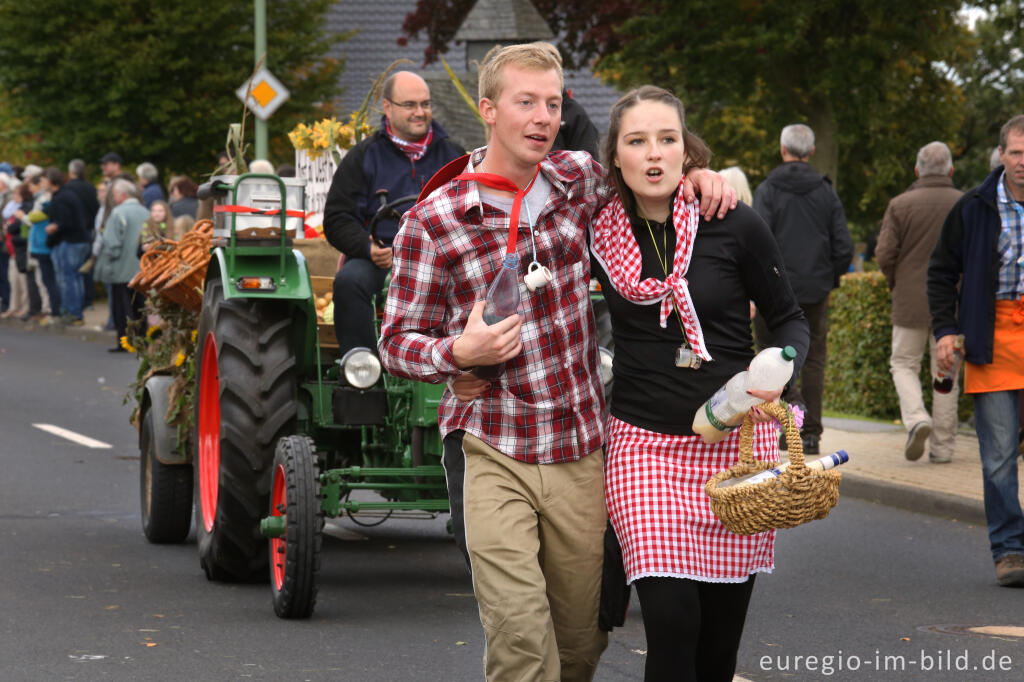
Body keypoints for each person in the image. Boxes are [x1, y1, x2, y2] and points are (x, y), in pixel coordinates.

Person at [378, 43, 734, 681]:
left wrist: (704, 175)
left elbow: (652, 167)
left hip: (580, 448)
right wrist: (458, 352)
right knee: (520, 640)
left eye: (552, 103)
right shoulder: (434, 219)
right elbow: (396, 340)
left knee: (579, 645)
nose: (543, 117)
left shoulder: (579, 181)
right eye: (526, 103)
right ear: (488, 110)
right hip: (493, 445)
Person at [592, 85, 808, 682]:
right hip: (644, 448)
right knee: (671, 619)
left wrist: (781, 371)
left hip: (737, 452)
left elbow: (787, 315)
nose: (654, 153)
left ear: (687, 151)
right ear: (616, 156)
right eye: (637, 141)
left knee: (717, 645)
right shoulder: (597, 230)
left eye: (668, 139)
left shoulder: (733, 221)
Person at [928, 114, 1024, 586]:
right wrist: (946, 330)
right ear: (1002, 155)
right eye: (1017, 153)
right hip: (994, 341)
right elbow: (941, 272)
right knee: (1000, 455)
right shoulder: (973, 208)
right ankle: (1010, 550)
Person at [323, 70, 464, 358]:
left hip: (444, 262)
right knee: (349, 282)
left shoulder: (454, 155)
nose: (420, 112)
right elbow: (337, 218)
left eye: (425, 104)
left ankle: (468, 367)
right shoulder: (363, 157)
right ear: (387, 107)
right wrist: (367, 247)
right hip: (382, 261)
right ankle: (364, 372)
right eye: (410, 105)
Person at [753, 123, 852, 454]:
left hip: (773, 290)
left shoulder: (767, 189)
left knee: (770, 356)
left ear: (783, 150)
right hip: (814, 291)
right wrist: (827, 279)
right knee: (813, 361)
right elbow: (843, 245)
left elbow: (755, 241)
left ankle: (785, 427)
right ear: (809, 152)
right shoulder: (826, 192)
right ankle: (809, 434)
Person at [876, 142, 963, 463]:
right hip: (953, 304)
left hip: (909, 300)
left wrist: (894, 283)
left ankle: (916, 418)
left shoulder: (900, 205)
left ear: (916, 170)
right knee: (945, 374)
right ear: (951, 171)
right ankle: (943, 449)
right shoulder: (966, 204)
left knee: (903, 364)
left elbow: (885, 254)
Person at [95, 178, 149, 350]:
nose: (114, 197)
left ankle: (124, 341)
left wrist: (109, 261)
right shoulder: (145, 212)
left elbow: (111, 242)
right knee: (140, 305)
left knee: (121, 306)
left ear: (122, 194)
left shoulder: (118, 213)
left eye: (116, 193)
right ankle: (141, 338)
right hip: (142, 267)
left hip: (120, 268)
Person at [40, 167, 91, 325]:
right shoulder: (63, 195)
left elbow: (65, 221)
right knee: (72, 277)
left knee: (69, 278)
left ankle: (73, 313)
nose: (41, 184)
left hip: (71, 241)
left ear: (49, 181)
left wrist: (53, 227)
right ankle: (73, 311)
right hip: (75, 240)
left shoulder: (63, 197)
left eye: (42, 181)